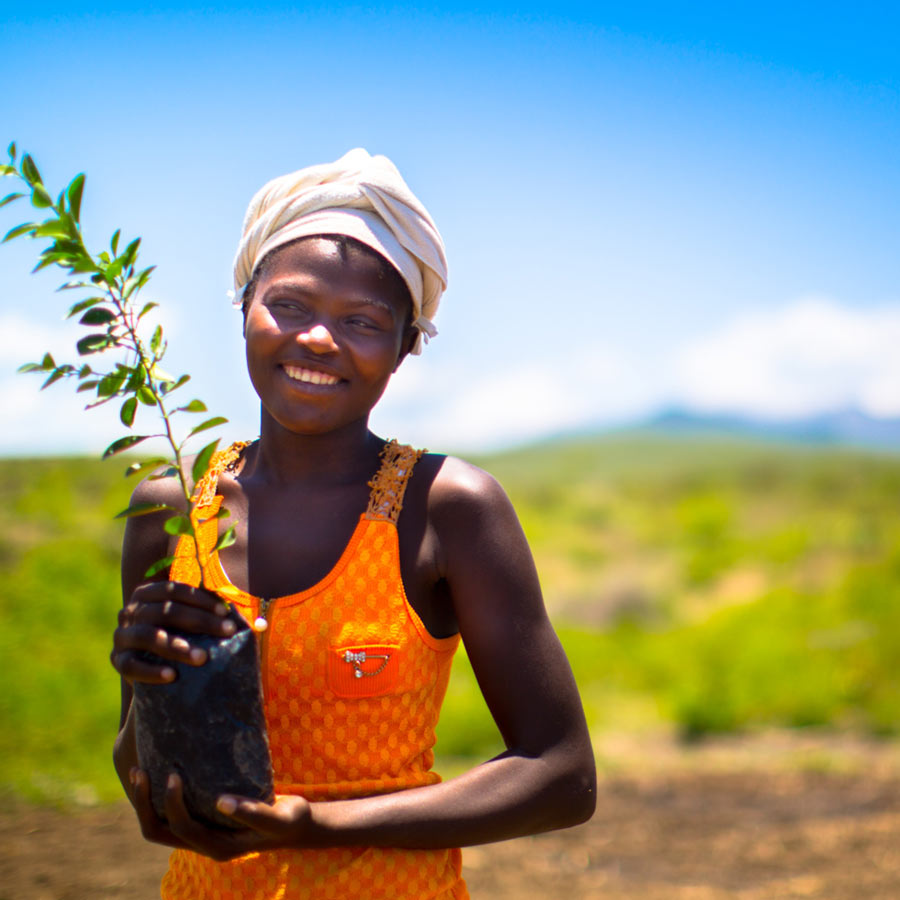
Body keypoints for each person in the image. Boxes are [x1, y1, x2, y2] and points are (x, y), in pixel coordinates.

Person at [111, 148, 596, 899]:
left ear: (406, 346)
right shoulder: (172, 510)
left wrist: (325, 828)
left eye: (362, 322)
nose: (317, 339)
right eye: (291, 306)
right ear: (244, 307)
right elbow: (143, 783)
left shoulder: (444, 508)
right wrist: (144, 694)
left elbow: (560, 775)